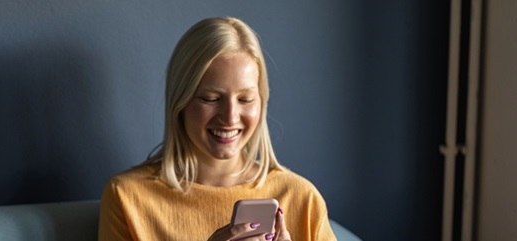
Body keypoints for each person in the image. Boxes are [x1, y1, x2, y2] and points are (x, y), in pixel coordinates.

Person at [98, 17, 337, 241]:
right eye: (210, 98)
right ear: (180, 101)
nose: (230, 117)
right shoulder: (127, 197)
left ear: (262, 103)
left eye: (245, 100)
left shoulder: (301, 198)